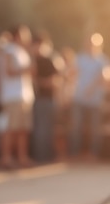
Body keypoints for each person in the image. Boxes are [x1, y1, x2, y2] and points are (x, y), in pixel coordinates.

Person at [69, 32, 110, 161]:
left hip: (95, 100)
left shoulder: (103, 60)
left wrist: (92, 87)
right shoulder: (79, 58)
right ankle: (74, 154)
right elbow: (72, 74)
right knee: (76, 126)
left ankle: (93, 154)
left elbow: (107, 77)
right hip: (79, 98)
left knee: (95, 128)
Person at [0, 25, 34, 169]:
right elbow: (9, 70)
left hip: (24, 96)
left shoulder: (21, 52)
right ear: (18, 35)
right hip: (12, 96)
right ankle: (6, 159)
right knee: (10, 129)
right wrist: (26, 69)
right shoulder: (9, 50)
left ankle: (21, 158)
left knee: (22, 130)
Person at [30, 31, 62, 163]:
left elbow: (55, 81)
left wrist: (39, 82)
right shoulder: (33, 59)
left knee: (45, 129)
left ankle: (44, 156)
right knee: (41, 129)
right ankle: (40, 156)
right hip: (38, 99)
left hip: (47, 99)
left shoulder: (48, 60)